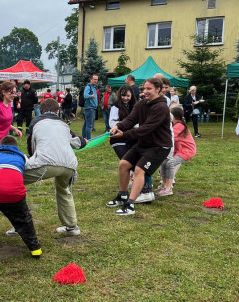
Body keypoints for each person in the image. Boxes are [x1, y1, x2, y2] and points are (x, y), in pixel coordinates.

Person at [15, 98, 87, 236]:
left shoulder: (35, 122)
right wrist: (83, 141)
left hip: (46, 163)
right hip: (69, 166)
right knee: (64, 190)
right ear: (57, 111)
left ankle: (19, 224)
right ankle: (72, 226)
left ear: (40, 111)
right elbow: (76, 142)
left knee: (14, 180)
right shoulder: (63, 124)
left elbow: (31, 146)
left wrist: (32, 158)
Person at [107, 78, 172, 215]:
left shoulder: (161, 107)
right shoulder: (141, 104)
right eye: (144, 88)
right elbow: (131, 119)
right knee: (123, 164)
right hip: (144, 143)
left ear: (158, 89)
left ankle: (130, 205)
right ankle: (122, 196)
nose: (145, 91)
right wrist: (118, 126)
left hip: (159, 146)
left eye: (149, 89)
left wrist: (124, 134)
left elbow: (146, 128)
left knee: (139, 170)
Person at [157, 107, 196, 196]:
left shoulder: (179, 126)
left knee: (169, 163)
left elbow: (169, 137)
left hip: (186, 151)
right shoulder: (176, 125)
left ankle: (168, 187)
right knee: (164, 162)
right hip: (179, 150)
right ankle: (164, 184)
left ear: (173, 117)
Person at [82, 74, 99, 139]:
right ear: (91, 79)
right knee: (89, 125)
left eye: (97, 79)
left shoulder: (93, 87)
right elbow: (85, 95)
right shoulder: (88, 87)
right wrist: (91, 96)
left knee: (86, 124)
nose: (96, 81)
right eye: (94, 79)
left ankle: (84, 137)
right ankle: (89, 139)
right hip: (90, 108)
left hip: (92, 108)